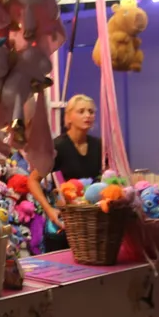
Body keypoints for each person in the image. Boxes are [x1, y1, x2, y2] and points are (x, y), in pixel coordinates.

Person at [27, 93, 104, 252]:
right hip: (65, 223)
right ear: (68, 117)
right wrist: (49, 210)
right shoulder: (57, 146)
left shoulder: (99, 145)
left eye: (91, 111)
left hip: (91, 224)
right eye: (81, 111)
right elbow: (32, 181)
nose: (87, 115)